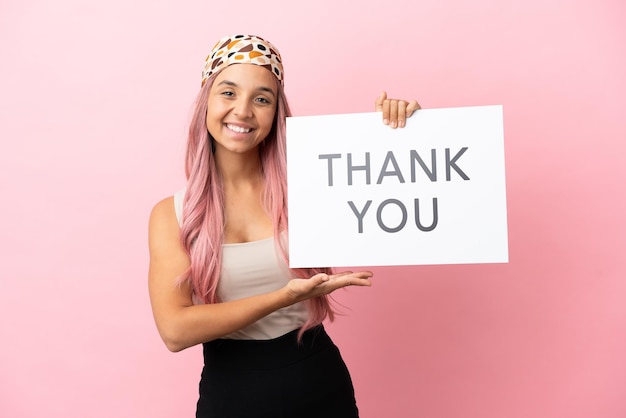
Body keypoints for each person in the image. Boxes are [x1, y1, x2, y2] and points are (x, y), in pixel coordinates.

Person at [148, 34, 420, 418]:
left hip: (320, 386)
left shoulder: (310, 187)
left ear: (276, 113)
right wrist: (284, 296)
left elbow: (387, 178)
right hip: (230, 398)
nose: (243, 111)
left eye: (262, 99)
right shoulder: (172, 214)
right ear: (205, 101)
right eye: (228, 93)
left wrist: (401, 131)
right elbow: (175, 331)